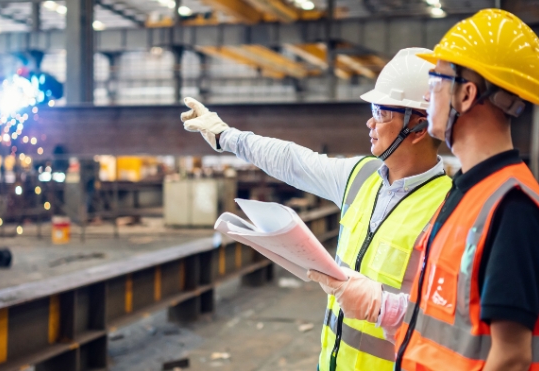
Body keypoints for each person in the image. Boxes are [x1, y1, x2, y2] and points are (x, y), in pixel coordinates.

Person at [308, 9, 539, 371]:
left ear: (467, 94)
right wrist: (385, 306)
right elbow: (451, 321)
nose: (428, 94)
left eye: (437, 80)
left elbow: (512, 358)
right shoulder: (467, 193)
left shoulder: (511, 208)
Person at [181, 48, 452, 371]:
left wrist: (380, 306)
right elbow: (293, 160)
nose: (370, 122)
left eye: (381, 113)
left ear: (418, 128)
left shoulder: (449, 208)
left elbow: (450, 322)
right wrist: (225, 135)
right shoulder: (360, 176)